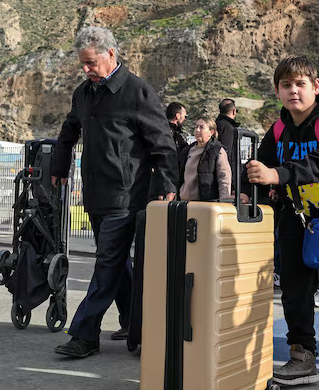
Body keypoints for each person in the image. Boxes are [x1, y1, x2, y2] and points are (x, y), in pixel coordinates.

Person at [50, 27, 177, 358]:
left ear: (110, 55)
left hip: (127, 195)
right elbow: (68, 132)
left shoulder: (138, 92)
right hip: (94, 194)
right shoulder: (83, 93)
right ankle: (137, 324)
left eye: (91, 63)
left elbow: (162, 142)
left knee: (106, 263)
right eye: (83, 64)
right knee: (117, 263)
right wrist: (58, 169)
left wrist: (166, 184)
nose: (87, 70)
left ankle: (84, 334)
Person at [246, 56, 319, 386]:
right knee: (295, 291)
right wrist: (247, 188)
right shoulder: (280, 128)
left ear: (316, 87)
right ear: (277, 91)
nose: (293, 91)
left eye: (300, 84)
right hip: (296, 218)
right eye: (286, 85)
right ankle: (301, 357)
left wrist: (277, 174)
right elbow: (262, 165)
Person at [178, 116, 231, 201]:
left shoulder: (217, 150)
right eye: (196, 127)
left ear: (211, 132)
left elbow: (224, 178)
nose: (197, 130)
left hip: (205, 203)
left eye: (202, 127)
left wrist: (224, 200)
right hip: (184, 201)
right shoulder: (187, 150)